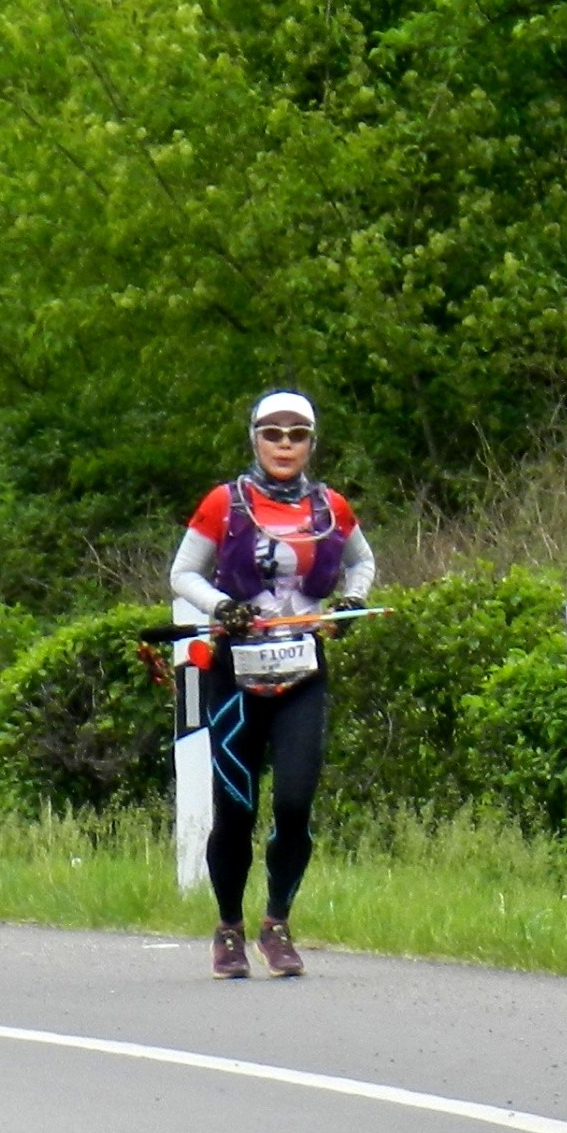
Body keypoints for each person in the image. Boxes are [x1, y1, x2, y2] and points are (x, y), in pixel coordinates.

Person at [169, 390, 374, 978]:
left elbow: (361, 561)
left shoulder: (331, 506)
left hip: (303, 672)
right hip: (235, 675)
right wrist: (222, 605)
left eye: (298, 434)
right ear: (254, 437)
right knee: (235, 810)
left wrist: (351, 602)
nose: (285, 445)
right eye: (273, 433)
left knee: (293, 803)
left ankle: (277, 923)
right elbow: (183, 573)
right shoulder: (224, 502)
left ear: (312, 442)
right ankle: (228, 928)